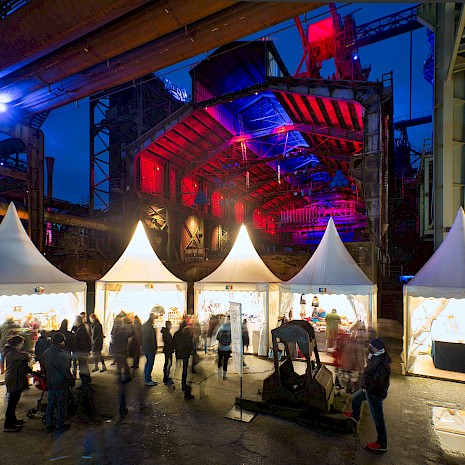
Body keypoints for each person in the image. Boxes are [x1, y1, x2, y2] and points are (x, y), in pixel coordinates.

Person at [344, 338, 391, 453]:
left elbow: (378, 383)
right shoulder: (376, 357)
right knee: (356, 398)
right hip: (368, 389)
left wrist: (367, 389)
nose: (369, 348)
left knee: (377, 418)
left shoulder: (381, 364)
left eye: (371, 347)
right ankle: (355, 416)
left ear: (377, 349)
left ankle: (382, 444)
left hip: (374, 393)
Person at [42, 332, 74, 434]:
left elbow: (44, 368)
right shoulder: (61, 355)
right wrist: (71, 380)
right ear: (60, 342)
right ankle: (59, 425)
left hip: (50, 382)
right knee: (61, 405)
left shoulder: (46, 353)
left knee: (51, 404)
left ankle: (48, 424)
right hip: (61, 383)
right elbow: (65, 370)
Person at [2, 335, 32, 432]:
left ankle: (13, 420)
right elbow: (25, 356)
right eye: (21, 343)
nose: (22, 345)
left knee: (14, 401)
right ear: (17, 343)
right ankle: (8, 424)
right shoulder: (11, 353)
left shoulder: (11, 351)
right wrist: (27, 355)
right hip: (13, 379)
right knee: (12, 402)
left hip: (15, 378)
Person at [173, 320, 194, 398]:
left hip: (178, 353)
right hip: (185, 353)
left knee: (177, 367)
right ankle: (183, 383)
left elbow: (173, 343)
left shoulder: (176, 334)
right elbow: (190, 344)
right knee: (185, 369)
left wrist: (176, 349)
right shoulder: (187, 334)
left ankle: (175, 382)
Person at [73, 316, 92, 387]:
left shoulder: (81, 330)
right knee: (84, 366)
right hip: (83, 351)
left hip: (82, 351)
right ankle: (86, 382)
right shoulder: (83, 328)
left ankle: (85, 383)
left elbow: (81, 342)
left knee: (83, 367)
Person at [141, 313, 158, 386]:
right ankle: (148, 379)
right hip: (150, 348)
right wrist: (154, 347)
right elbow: (151, 338)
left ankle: (147, 378)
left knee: (148, 362)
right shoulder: (150, 327)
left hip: (146, 347)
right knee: (150, 363)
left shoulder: (145, 326)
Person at [216, 316, 231, 380]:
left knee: (219, 360)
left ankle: (219, 374)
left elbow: (217, 337)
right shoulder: (231, 329)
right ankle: (224, 376)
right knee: (225, 362)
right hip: (227, 348)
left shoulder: (221, 328)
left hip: (220, 347)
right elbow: (232, 339)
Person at [161, 320, 174, 385]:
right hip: (168, 349)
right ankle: (166, 378)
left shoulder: (166, 332)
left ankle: (166, 377)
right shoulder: (166, 333)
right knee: (168, 363)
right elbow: (168, 341)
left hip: (167, 349)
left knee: (168, 363)